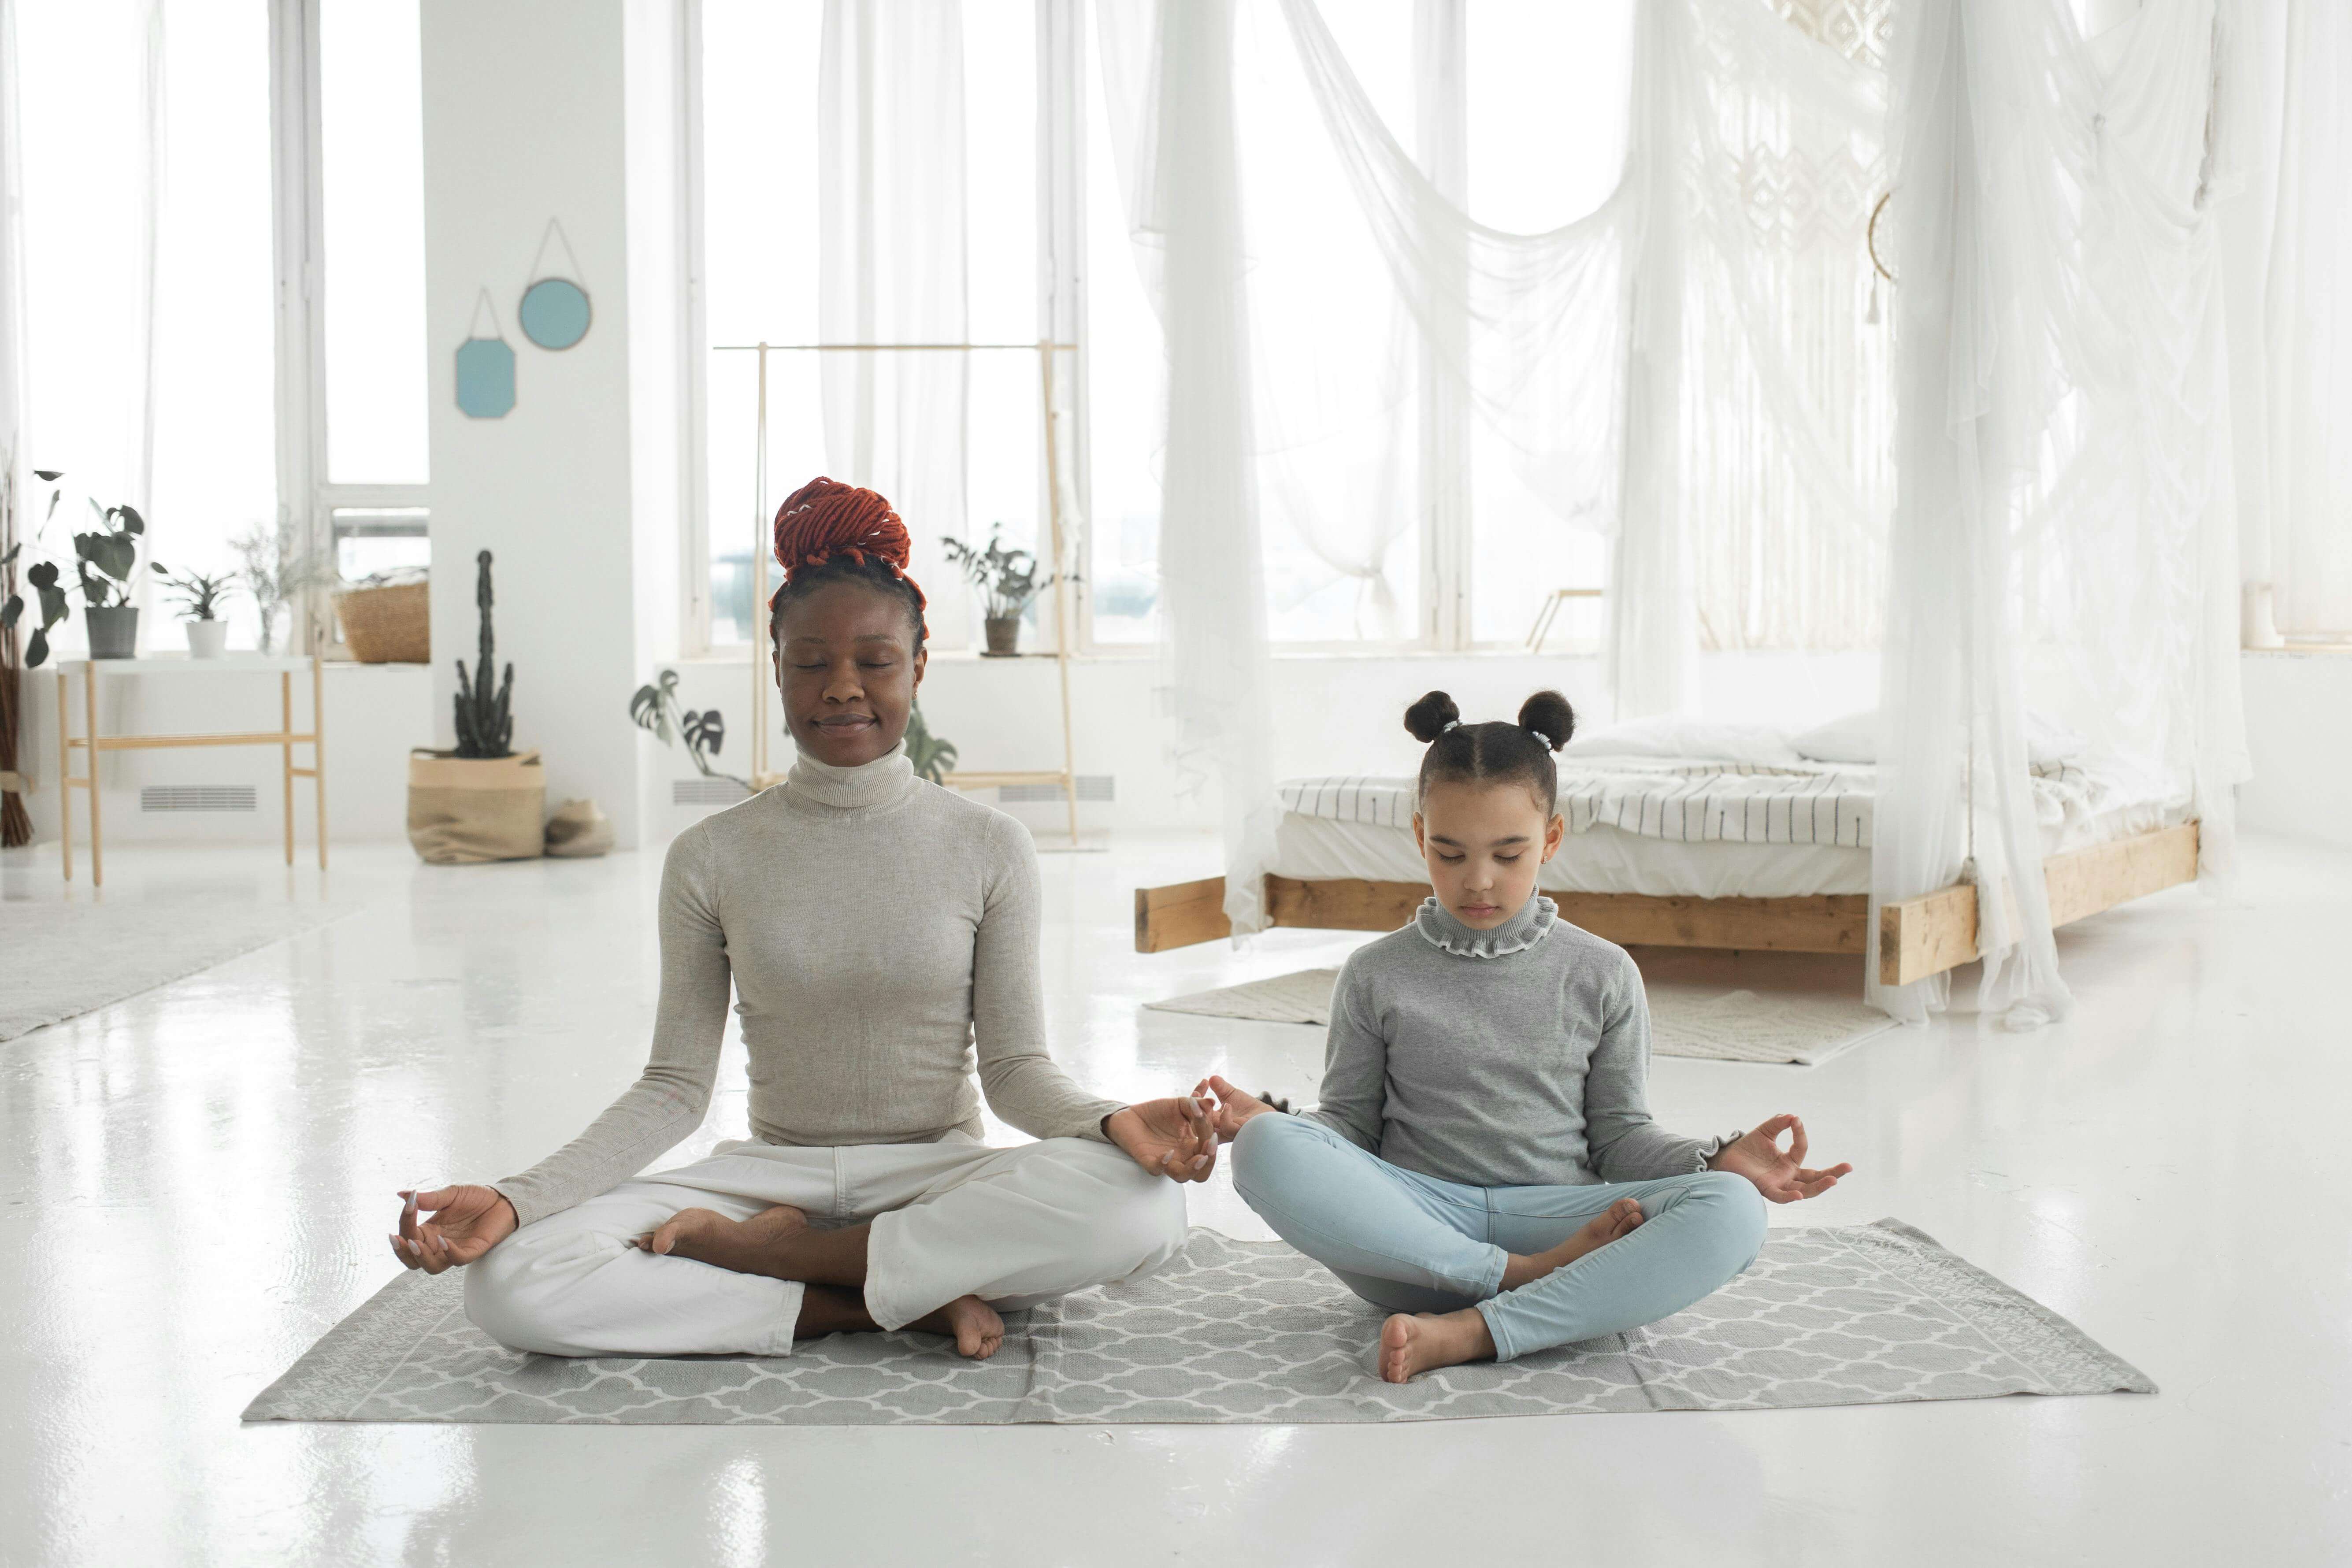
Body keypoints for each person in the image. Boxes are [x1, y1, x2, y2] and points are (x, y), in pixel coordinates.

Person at [387, 477, 1219, 1361]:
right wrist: (518, 1198)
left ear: (919, 667)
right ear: (776, 668)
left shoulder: (989, 845)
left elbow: (1015, 1071)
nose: (842, 689)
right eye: (811, 662)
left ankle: (789, 1265)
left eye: (875, 660)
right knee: (511, 1282)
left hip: (935, 1173)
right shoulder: (712, 855)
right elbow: (673, 1086)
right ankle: (870, 1300)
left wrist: (1107, 1122)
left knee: (1141, 1203)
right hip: (766, 1176)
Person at [1200, 689, 1853, 1383]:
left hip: (1568, 1227)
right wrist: (1275, 1127)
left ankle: (1475, 1331)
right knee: (1268, 1148)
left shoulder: (1603, 972)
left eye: (1508, 855)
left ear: (1550, 839)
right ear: (1420, 836)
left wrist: (1716, 1161)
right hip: (1420, 1239)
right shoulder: (1374, 974)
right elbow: (1352, 1130)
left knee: (1732, 1211)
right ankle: (1525, 1284)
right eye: (1449, 854)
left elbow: (1619, 1137)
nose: (1478, 881)